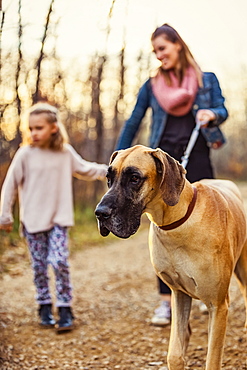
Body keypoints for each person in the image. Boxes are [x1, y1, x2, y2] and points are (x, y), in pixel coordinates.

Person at [116, 23, 228, 326]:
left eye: (162, 49)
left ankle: (206, 289)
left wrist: (212, 114)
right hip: (161, 162)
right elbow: (133, 120)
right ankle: (167, 301)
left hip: (198, 156)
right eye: (155, 51)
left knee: (204, 227)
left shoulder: (206, 80)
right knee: (162, 229)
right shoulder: (151, 86)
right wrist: (116, 160)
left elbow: (222, 108)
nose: (159, 56)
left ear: (177, 45)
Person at [0, 103, 108, 332]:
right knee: (39, 266)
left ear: (53, 128)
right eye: (30, 128)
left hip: (59, 219)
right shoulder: (25, 154)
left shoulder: (64, 153)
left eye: (39, 128)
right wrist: (5, 215)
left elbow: (85, 169)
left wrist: (111, 170)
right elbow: (10, 185)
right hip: (32, 221)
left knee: (59, 262)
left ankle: (65, 307)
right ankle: (44, 305)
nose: (33, 133)